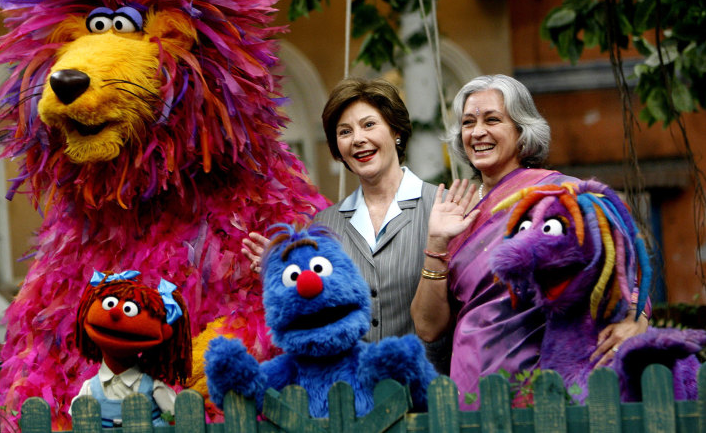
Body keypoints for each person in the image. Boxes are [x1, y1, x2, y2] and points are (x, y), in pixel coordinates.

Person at [409, 74, 649, 405]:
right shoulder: (457, 212)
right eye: (468, 122)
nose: (478, 132)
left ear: (522, 130)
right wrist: (436, 242)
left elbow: (624, 264)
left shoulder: (559, 195)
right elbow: (427, 328)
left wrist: (637, 316)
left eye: (492, 119)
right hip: (470, 389)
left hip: (543, 388)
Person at [243, 77, 450, 373]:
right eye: (345, 132)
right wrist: (281, 275)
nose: (357, 139)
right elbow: (318, 315)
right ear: (338, 149)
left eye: (369, 125)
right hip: (352, 401)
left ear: (396, 131)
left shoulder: (442, 207)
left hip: (429, 395)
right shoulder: (325, 226)